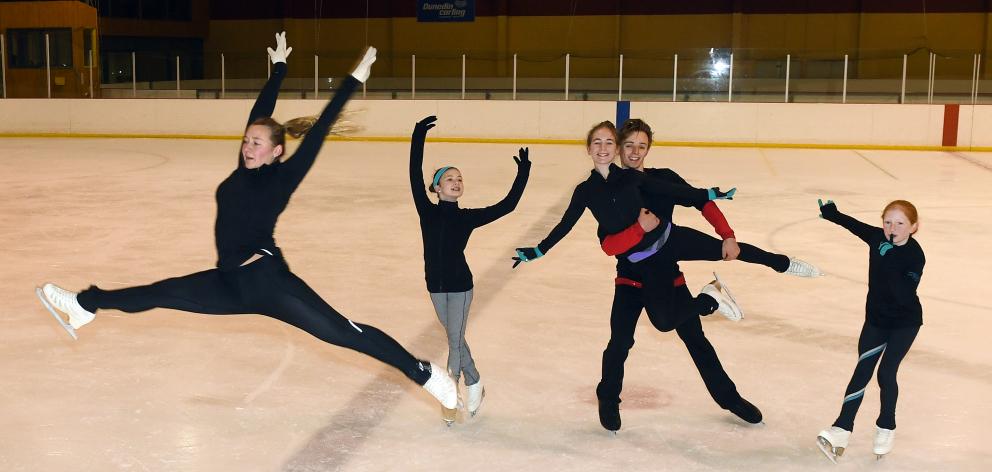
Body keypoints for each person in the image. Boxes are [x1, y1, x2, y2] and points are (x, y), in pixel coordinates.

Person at [34, 32, 457, 413]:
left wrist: (352, 81)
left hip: (268, 281)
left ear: (276, 152)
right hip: (229, 283)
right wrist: (278, 70)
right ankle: (85, 305)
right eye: (246, 140)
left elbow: (319, 131)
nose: (247, 146)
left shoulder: (282, 176)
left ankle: (423, 373)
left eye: (257, 143)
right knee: (157, 293)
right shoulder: (243, 167)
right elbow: (261, 113)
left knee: (343, 333)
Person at [593, 118, 822, 431]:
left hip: (668, 273)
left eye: (642, 146)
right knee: (620, 342)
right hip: (631, 281)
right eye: (629, 145)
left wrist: (726, 233)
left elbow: (701, 200)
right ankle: (608, 399)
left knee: (696, 339)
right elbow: (607, 240)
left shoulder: (663, 179)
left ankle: (729, 398)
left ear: (649, 149)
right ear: (618, 148)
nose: (635, 152)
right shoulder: (610, 190)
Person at [409, 115, 530, 423]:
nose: (456, 182)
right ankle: (475, 380)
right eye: (450, 178)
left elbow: (508, 206)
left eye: (460, 178)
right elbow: (413, 173)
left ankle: (450, 399)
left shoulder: (467, 218)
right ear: (437, 187)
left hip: (461, 286)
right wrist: (418, 135)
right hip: (434, 286)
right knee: (456, 338)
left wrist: (523, 173)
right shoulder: (427, 211)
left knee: (452, 341)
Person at [815, 199, 925, 462]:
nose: (892, 227)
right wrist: (833, 214)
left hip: (904, 323)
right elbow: (855, 226)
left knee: (886, 373)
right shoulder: (878, 238)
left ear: (913, 227)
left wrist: (890, 259)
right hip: (876, 320)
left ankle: (886, 426)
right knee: (862, 370)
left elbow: (902, 294)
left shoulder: (914, 255)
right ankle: (842, 428)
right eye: (887, 221)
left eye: (900, 223)